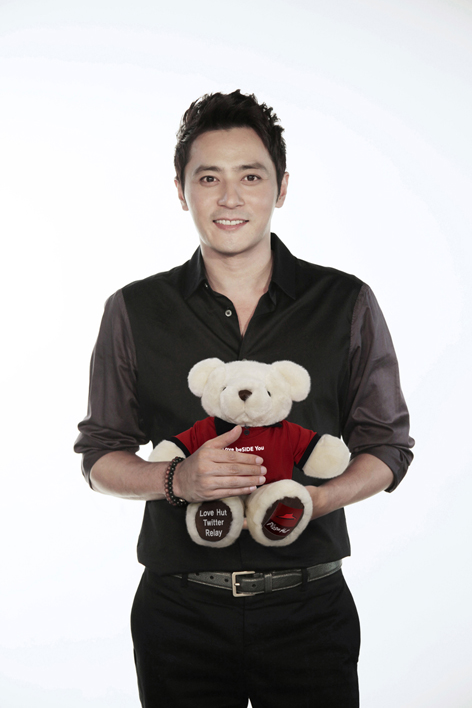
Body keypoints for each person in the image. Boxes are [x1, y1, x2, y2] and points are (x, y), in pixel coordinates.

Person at [75, 90, 414, 708]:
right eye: (209, 178)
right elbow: (100, 455)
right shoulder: (134, 310)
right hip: (178, 615)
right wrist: (177, 479)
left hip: (311, 611)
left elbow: (387, 446)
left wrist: (316, 500)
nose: (229, 198)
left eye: (250, 176)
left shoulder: (345, 302)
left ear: (281, 187)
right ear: (182, 192)